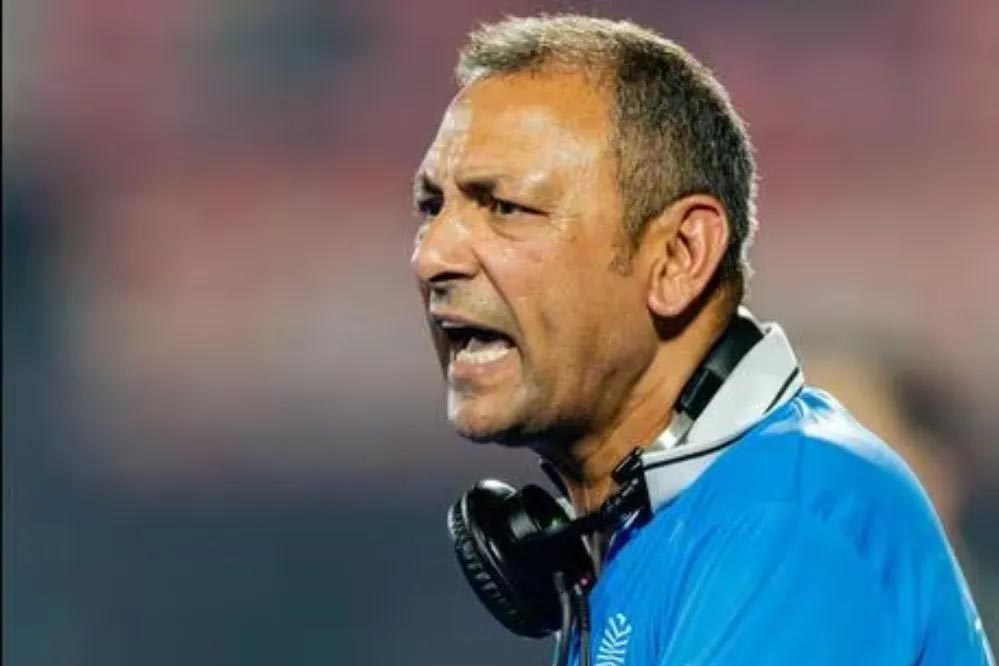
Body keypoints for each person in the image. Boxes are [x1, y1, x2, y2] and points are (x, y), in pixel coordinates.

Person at [410, 14, 994, 666]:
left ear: (679, 255)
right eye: (432, 207)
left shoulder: (790, 518)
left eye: (505, 207)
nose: (432, 256)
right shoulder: (649, 536)